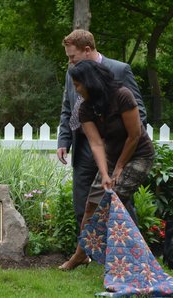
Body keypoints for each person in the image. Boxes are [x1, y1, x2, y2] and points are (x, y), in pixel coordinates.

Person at [58, 60, 154, 270]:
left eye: (78, 85)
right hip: (111, 156)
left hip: (138, 154)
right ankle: (80, 255)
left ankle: (131, 261)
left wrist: (119, 168)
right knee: (92, 206)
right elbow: (96, 143)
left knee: (112, 202)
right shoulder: (85, 108)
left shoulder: (122, 95)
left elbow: (134, 135)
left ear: (90, 82)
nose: (76, 90)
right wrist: (104, 173)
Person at [57, 29, 147, 228]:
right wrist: (64, 140)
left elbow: (139, 112)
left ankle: (130, 251)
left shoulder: (119, 70)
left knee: (119, 202)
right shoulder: (71, 73)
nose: (70, 62)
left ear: (87, 50)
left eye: (73, 57)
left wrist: (122, 143)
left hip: (113, 148)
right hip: (83, 146)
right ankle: (87, 254)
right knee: (83, 203)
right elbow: (67, 108)